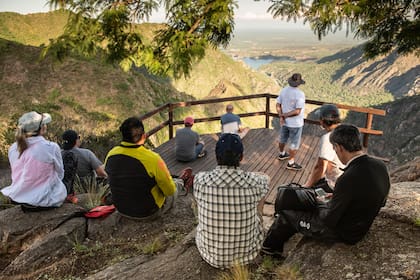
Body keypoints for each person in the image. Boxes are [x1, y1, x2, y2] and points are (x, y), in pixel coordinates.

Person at [262, 124, 390, 257]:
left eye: (334, 148)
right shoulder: (380, 166)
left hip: (343, 232)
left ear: (339, 147)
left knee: (287, 216)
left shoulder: (347, 177)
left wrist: (322, 202)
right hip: (357, 223)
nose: (335, 151)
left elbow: (328, 220)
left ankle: (269, 250)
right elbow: (381, 202)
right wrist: (337, 197)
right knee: (313, 195)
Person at [194, 133, 269, 268]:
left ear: (216, 157)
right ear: (241, 157)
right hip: (247, 255)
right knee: (261, 188)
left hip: (209, 254)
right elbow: (266, 179)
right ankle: (258, 222)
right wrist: (257, 175)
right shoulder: (255, 183)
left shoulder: (200, 180)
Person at [105, 117, 178, 219]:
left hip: (121, 209)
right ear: (143, 136)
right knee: (175, 187)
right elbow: (169, 191)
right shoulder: (152, 158)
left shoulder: (111, 154)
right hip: (148, 212)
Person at [1, 111, 67, 209]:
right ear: (42, 128)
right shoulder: (51, 147)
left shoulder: (13, 148)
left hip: (18, 197)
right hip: (47, 199)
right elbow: (60, 173)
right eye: (44, 123)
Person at [303, 104, 344, 192]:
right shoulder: (347, 131)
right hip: (347, 181)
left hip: (334, 185)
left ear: (322, 121)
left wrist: (307, 186)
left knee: (309, 195)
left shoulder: (328, 138)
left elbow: (320, 167)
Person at [276, 73, 306, 171]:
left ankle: (282, 154)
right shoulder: (300, 94)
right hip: (296, 124)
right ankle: (291, 163)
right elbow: (297, 111)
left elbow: (278, 104)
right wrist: (283, 116)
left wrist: (281, 116)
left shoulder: (284, 90)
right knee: (294, 143)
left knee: (282, 138)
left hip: (285, 122)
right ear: (299, 83)